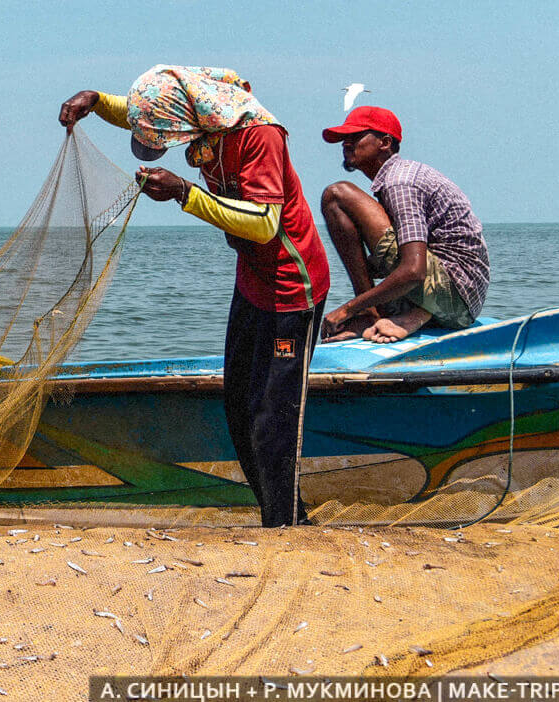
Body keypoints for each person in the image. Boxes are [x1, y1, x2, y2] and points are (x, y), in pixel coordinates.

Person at [59, 65, 331, 527]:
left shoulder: (259, 136)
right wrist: (96, 100)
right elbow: (139, 115)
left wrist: (185, 192)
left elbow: (264, 223)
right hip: (252, 282)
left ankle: (287, 527)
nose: (164, 141)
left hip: (291, 288)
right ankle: (280, 517)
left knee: (273, 419)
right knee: (239, 407)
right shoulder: (202, 120)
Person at [319, 106, 490, 343]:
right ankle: (414, 315)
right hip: (461, 303)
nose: (346, 144)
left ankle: (372, 315)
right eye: (344, 138)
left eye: (355, 136)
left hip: (455, 299)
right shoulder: (395, 180)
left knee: (337, 195)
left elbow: (414, 271)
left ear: (385, 143)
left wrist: (349, 309)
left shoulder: (400, 182)